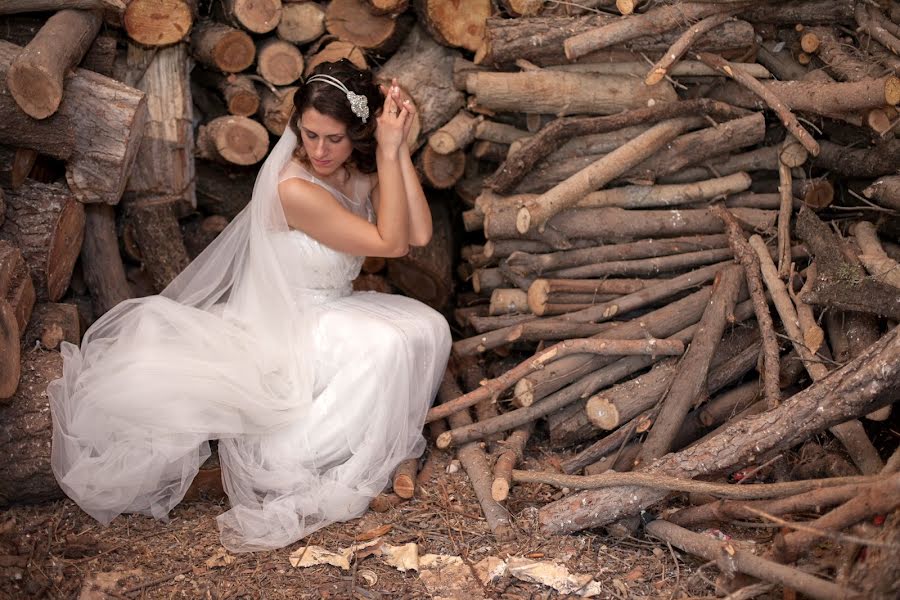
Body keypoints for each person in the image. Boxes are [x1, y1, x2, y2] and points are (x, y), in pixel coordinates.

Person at [48, 60, 452, 553]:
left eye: (335, 139)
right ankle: (299, 454)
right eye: (310, 135)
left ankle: (358, 439)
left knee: (427, 325)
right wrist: (388, 153)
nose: (321, 150)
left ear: (357, 136)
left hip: (333, 309)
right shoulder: (295, 189)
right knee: (389, 340)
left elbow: (421, 234)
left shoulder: (357, 171)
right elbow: (391, 243)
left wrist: (400, 151)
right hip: (290, 322)